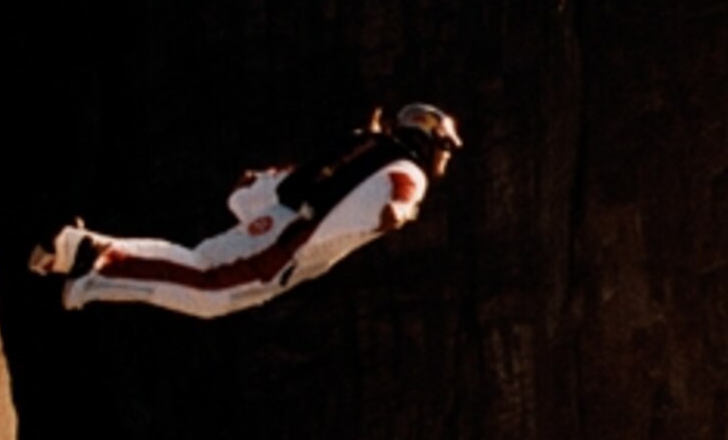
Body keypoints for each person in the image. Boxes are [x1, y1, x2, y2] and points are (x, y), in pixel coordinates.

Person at [30, 102, 464, 317]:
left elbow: (304, 174)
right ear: (426, 139)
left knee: (203, 280)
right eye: (445, 146)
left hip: (281, 218)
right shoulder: (410, 171)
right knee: (206, 287)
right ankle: (87, 253)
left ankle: (82, 269)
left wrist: (255, 191)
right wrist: (400, 212)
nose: (447, 156)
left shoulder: (364, 144)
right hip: (288, 244)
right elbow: (399, 196)